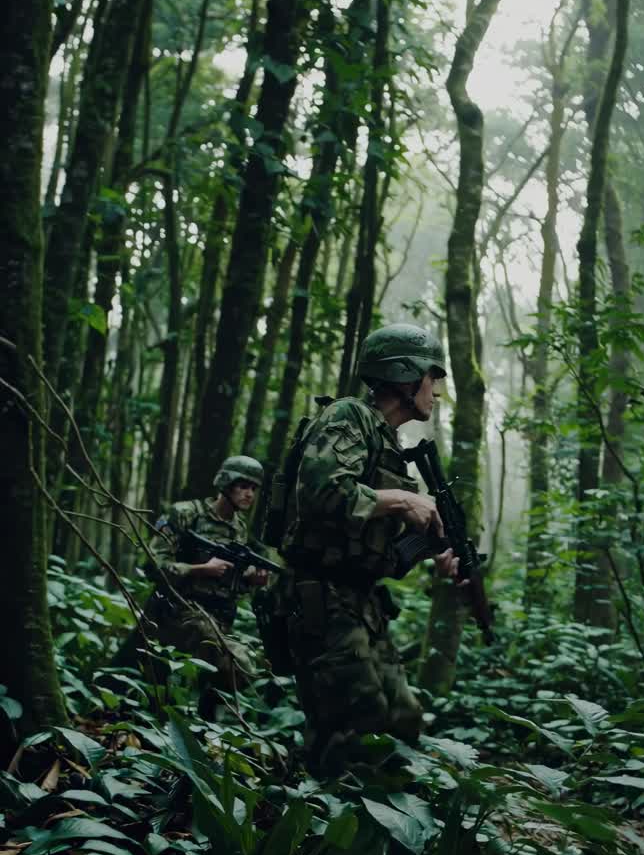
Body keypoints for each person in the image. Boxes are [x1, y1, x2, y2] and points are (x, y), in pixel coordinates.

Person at [277, 323, 460, 774]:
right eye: (431, 378)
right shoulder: (348, 417)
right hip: (322, 598)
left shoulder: (387, 445)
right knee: (355, 729)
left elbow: (376, 547)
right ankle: (319, 833)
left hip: (361, 603)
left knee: (403, 719)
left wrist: (430, 551)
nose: (435, 391)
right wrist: (403, 499)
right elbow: (322, 493)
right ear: (405, 375)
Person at [146, 455, 268, 719]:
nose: (250, 494)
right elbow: (154, 563)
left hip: (219, 617)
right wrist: (201, 569)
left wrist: (250, 579)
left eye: (254, 488)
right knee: (235, 663)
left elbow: (232, 583)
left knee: (238, 670)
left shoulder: (239, 529)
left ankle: (205, 726)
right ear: (226, 483)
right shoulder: (185, 513)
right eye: (243, 486)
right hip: (178, 610)